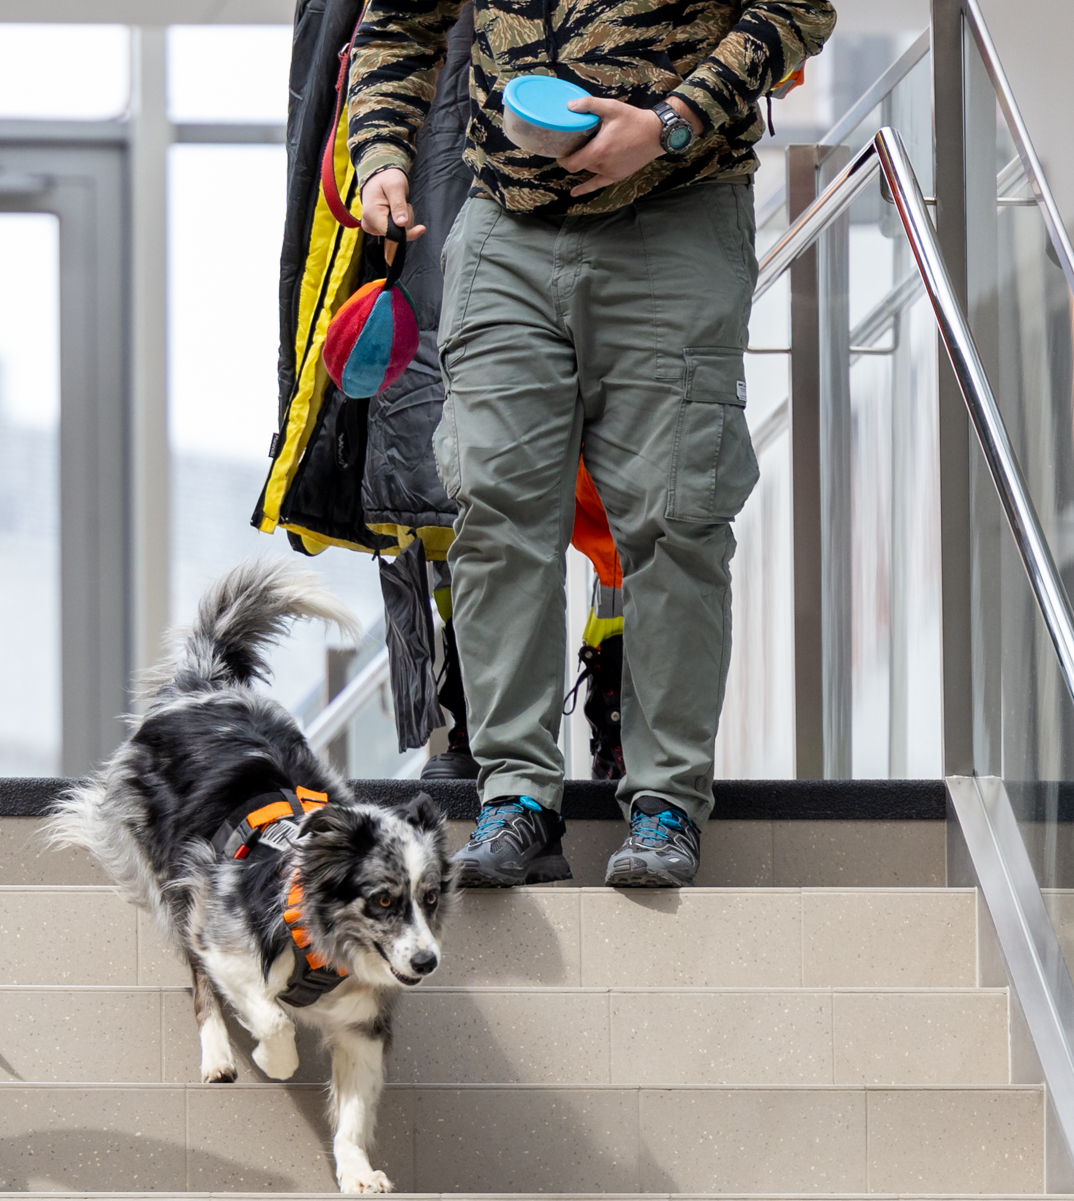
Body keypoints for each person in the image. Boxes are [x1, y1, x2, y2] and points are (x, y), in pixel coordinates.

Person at [348, 0, 835, 888]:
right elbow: (398, 24)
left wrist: (669, 124)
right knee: (495, 511)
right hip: (505, 226)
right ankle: (516, 800)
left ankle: (665, 803)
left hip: (675, 214)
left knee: (675, 517)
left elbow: (798, 8)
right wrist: (380, 155)